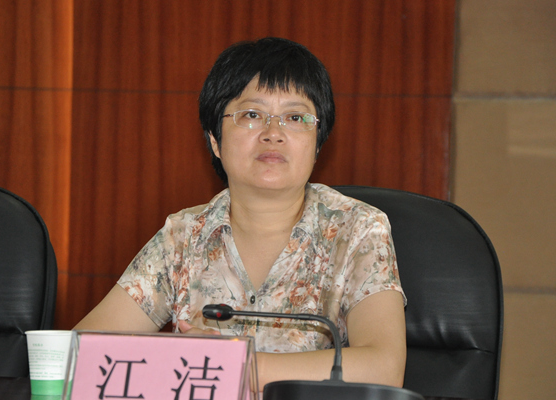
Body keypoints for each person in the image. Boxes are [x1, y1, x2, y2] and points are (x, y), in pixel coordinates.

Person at [74, 37, 407, 390]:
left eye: (295, 117)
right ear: (215, 140)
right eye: (251, 115)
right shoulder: (184, 236)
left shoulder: (357, 230)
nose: (273, 134)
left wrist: (231, 365)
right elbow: (79, 355)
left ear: (317, 143)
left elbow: (384, 367)